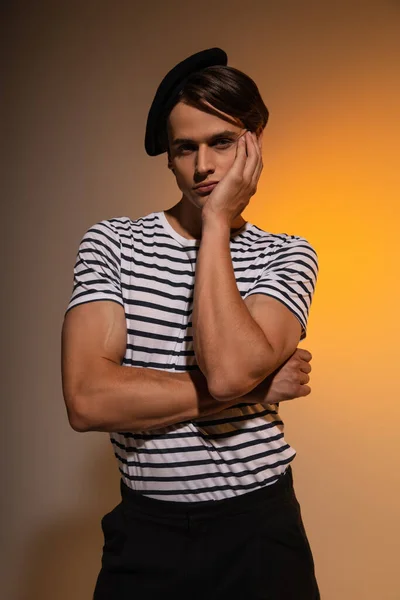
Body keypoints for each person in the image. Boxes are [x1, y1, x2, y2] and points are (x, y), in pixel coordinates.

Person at [61, 48, 320, 599]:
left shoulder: (287, 255)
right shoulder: (114, 243)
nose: (203, 166)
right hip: (148, 532)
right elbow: (87, 400)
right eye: (186, 148)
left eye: (221, 142)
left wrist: (217, 223)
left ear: (254, 141)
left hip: (260, 531)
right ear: (170, 157)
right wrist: (253, 388)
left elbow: (227, 371)